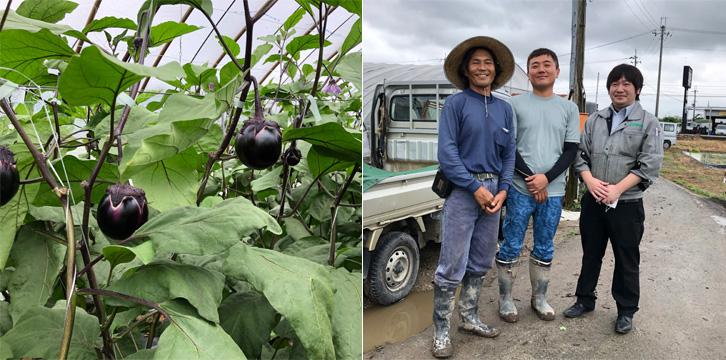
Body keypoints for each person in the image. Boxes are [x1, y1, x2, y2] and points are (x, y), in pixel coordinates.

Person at [563, 64, 663, 334]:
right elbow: (580, 155)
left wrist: (618, 189)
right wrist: (589, 180)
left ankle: (626, 310)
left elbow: (649, 165)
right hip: (594, 202)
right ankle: (584, 300)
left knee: (626, 257)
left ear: (637, 89)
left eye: (626, 84)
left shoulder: (648, 122)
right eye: (614, 84)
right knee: (590, 254)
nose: (620, 88)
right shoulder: (596, 119)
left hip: (627, 204)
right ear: (609, 88)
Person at [432, 36, 516, 358]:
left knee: (481, 260)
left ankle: (469, 317)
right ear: (466, 70)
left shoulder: (504, 109)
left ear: (496, 70)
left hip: (495, 192)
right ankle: (441, 330)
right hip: (464, 193)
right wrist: (474, 188)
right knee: (452, 263)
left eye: (488, 62)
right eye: (476, 62)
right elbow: (447, 154)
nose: (482, 67)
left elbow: (509, 154)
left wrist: (503, 189)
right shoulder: (455, 104)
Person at [495, 48, 580, 323]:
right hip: (520, 190)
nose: (541, 69)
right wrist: (533, 179)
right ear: (528, 72)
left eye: (547, 65)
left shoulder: (569, 108)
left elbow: (570, 150)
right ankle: (506, 300)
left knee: (545, 245)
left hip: (553, 193)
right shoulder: (514, 104)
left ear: (556, 71)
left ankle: (539, 298)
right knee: (511, 244)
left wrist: (547, 178)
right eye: (535, 65)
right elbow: (509, 147)